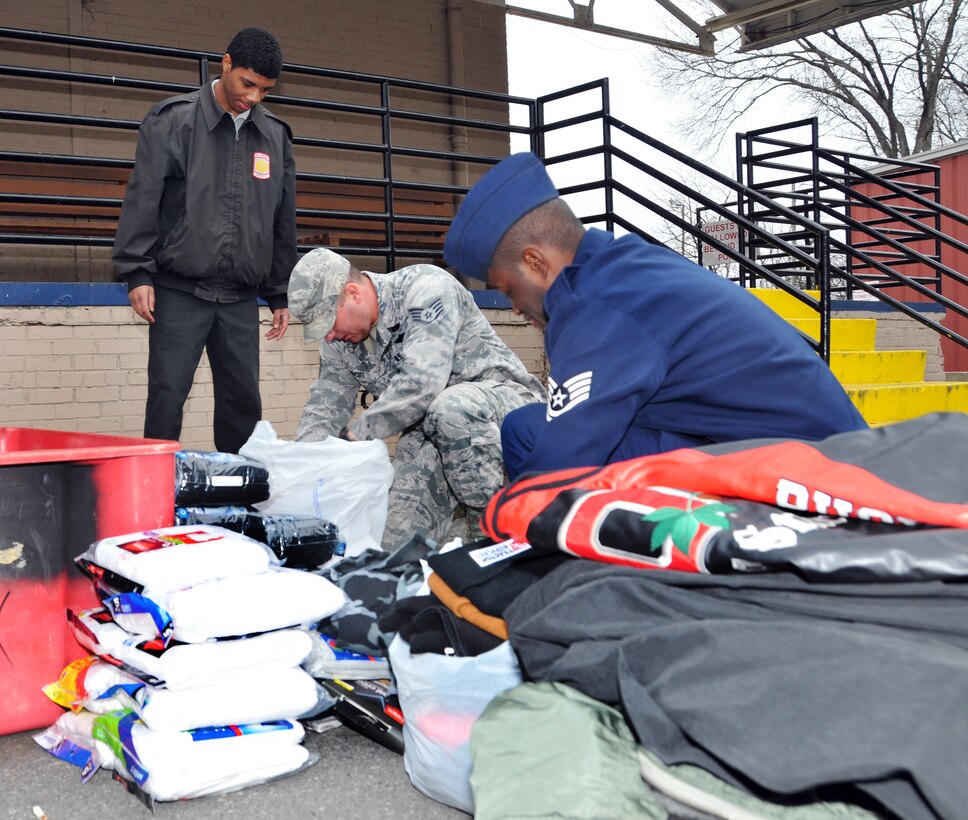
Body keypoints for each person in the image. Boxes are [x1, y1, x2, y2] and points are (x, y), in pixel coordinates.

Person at [443, 152, 868, 481]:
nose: (515, 307)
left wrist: (507, 537)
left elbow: (561, 464)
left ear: (535, 262)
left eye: (507, 289)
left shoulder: (595, 304)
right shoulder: (624, 265)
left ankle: (582, 584)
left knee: (527, 437)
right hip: (826, 454)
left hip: (807, 480)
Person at [113, 27, 297, 454]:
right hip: (178, 292)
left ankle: (239, 506)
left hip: (239, 299)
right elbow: (143, 198)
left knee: (243, 409)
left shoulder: (276, 138)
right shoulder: (172, 121)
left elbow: (281, 220)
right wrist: (137, 270)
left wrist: (280, 290)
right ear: (226, 64)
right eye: (247, 84)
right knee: (166, 402)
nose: (252, 98)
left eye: (264, 90)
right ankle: (155, 504)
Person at [287, 248, 545, 548]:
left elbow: (422, 385)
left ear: (353, 294)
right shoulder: (339, 345)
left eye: (329, 323)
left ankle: (493, 540)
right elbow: (322, 413)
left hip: (505, 413)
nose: (328, 336)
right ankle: (460, 534)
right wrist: (297, 467)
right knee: (393, 545)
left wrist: (357, 434)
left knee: (452, 408)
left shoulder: (425, 289)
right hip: (430, 432)